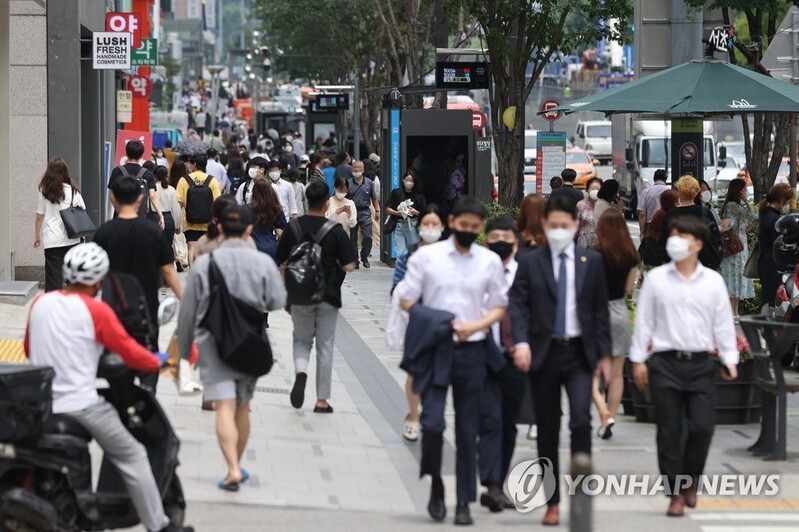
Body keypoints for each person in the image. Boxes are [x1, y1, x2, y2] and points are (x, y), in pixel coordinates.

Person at [25, 243, 193, 532]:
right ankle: (160, 525)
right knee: (133, 453)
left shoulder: (41, 302)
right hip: (80, 405)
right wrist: (159, 360)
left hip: (41, 402)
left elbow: (29, 348)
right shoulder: (97, 311)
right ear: (99, 280)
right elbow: (128, 351)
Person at [399, 196, 508, 526]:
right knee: (432, 423)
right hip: (436, 347)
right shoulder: (427, 258)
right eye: (463, 226)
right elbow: (405, 300)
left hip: (472, 349)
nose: (468, 232)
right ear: (451, 222)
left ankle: (463, 499)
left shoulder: (488, 261)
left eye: (474, 228)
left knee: (467, 428)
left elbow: (499, 305)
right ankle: (434, 482)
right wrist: (437, 319)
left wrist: (475, 326)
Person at [509, 194, 612, 526]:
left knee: (581, 420)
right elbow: (518, 306)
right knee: (547, 428)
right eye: (552, 226)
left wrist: (605, 355)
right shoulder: (530, 261)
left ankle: (580, 493)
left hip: (580, 354)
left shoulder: (591, 262)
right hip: (544, 353)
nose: (557, 230)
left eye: (563, 226)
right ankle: (551, 500)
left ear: (575, 225)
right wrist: (521, 343)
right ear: (544, 225)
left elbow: (599, 312)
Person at [630, 216, 738, 517]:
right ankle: (675, 492)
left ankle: (691, 481)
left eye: (683, 236)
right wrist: (638, 359)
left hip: (701, 364)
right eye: (673, 234)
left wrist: (730, 359)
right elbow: (645, 320)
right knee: (669, 430)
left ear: (698, 245)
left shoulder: (713, 282)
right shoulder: (657, 279)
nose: (676, 240)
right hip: (665, 363)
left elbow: (722, 323)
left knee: (702, 427)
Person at [178, 206, 286, 492]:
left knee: (223, 405)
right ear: (250, 230)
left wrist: (186, 348)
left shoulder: (204, 264)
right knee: (243, 407)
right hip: (249, 340)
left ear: (221, 229)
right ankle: (235, 465)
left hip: (213, 341)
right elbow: (277, 301)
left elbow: (188, 311)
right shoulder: (263, 262)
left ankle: (233, 469)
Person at [277, 181, 357, 414]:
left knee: (301, 340)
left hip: (299, 294)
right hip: (328, 295)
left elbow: (281, 262)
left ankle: (301, 371)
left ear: (307, 201)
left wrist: (286, 293)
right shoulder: (335, 231)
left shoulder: (293, 228)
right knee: (325, 345)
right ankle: (321, 400)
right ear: (326, 203)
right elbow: (350, 265)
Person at [93, 176, 183, 363]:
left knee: (115, 360)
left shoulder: (103, 232)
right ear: (140, 199)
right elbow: (167, 270)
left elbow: (94, 273)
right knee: (148, 358)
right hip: (147, 308)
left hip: (113, 307)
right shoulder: (152, 232)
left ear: (113, 198)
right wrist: (184, 298)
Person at [477, 216, 528, 512]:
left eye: (506, 236)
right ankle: (492, 484)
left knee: (508, 424)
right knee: (490, 420)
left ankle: (497, 480)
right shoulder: (479, 272)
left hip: (515, 358)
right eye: (494, 235)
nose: (500, 241)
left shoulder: (526, 273)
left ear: (516, 243)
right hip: (483, 355)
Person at [391, 204, 445, 442]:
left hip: (444, 322)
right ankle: (413, 415)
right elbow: (397, 289)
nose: (431, 228)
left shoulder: (450, 255)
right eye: (427, 224)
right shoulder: (409, 254)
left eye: (436, 224)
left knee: (436, 370)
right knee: (416, 370)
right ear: (420, 227)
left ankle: (432, 413)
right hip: (416, 320)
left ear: (443, 228)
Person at [591, 209, 639, 439]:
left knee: (591, 372)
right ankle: (610, 417)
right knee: (618, 373)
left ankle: (602, 412)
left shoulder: (593, 252)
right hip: (619, 310)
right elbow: (629, 290)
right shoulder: (630, 255)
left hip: (596, 313)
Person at [34, 158, 86, 291]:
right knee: (73, 276)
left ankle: (52, 306)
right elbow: (82, 211)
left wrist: (37, 236)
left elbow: (40, 216)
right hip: (72, 238)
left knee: (53, 277)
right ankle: (73, 304)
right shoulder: (73, 191)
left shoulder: (44, 190)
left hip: (52, 238)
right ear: (65, 172)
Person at [660, 175, 721, 271]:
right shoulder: (705, 212)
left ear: (679, 192)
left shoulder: (670, 214)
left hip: (677, 264)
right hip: (702, 263)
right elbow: (716, 238)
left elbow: (663, 241)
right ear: (697, 192)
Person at [176, 153, 222, 265]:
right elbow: (218, 202)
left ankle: (193, 274)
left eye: (191, 164)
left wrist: (177, 223)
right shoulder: (212, 180)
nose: (190, 166)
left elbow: (179, 203)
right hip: (208, 221)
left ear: (195, 164)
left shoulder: (184, 180)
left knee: (191, 248)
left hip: (189, 221)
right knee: (206, 249)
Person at [108, 140, 164, 229]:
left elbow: (111, 195)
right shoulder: (148, 174)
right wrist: (161, 216)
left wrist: (119, 208)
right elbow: (152, 196)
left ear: (126, 154)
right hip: (142, 218)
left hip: (120, 217)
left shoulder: (117, 171)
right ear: (141, 156)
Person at [719, 179, 756, 317]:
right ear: (739, 191)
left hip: (739, 243)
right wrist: (746, 201)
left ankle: (734, 311)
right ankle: (731, 312)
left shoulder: (732, 205)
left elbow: (746, 224)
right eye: (745, 190)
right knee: (734, 276)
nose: (746, 192)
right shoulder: (733, 205)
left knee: (736, 277)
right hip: (736, 246)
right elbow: (752, 215)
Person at [758, 183, 795, 310]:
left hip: (767, 263)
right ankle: (768, 328)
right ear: (781, 199)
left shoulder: (766, 214)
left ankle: (765, 326)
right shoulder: (773, 219)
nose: (787, 204)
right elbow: (779, 242)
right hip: (773, 264)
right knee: (771, 300)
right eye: (787, 201)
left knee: (767, 298)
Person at [346, 160, 380, 268]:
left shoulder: (369, 182)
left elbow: (374, 198)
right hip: (352, 212)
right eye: (354, 169)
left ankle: (364, 257)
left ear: (363, 170)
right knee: (353, 237)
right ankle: (355, 260)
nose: (356, 171)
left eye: (358, 169)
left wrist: (377, 210)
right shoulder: (348, 183)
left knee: (367, 237)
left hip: (365, 211)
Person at [386, 169, 426, 257]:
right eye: (407, 180)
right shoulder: (396, 192)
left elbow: (424, 214)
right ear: (403, 180)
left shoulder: (418, 196)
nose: (409, 183)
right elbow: (388, 208)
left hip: (413, 224)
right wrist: (398, 213)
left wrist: (415, 212)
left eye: (411, 181)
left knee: (413, 252)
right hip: (399, 224)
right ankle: (402, 268)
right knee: (400, 252)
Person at [154, 165, 182, 276]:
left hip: (155, 217)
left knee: (155, 248)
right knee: (168, 247)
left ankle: (158, 277)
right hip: (168, 218)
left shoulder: (152, 188)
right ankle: (168, 277)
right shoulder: (171, 189)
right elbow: (176, 208)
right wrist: (177, 225)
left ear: (155, 175)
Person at [249, 180, 286, 263]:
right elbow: (280, 233)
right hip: (271, 249)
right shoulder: (276, 210)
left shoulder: (245, 210)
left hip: (251, 248)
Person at [640, 189, 679, 267]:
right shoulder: (671, 218)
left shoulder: (658, 214)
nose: (679, 204)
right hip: (664, 260)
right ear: (673, 203)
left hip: (652, 258)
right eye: (677, 201)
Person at [638, 168, 669, 234]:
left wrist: (642, 234)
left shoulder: (646, 192)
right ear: (665, 179)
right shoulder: (670, 192)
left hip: (650, 227)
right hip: (666, 226)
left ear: (654, 179)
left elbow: (642, 214)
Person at [576, 177, 602, 248]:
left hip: (600, 243)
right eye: (592, 189)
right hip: (584, 243)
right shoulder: (581, 204)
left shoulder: (604, 205)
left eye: (597, 189)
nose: (595, 191)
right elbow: (576, 224)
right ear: (587, 190)